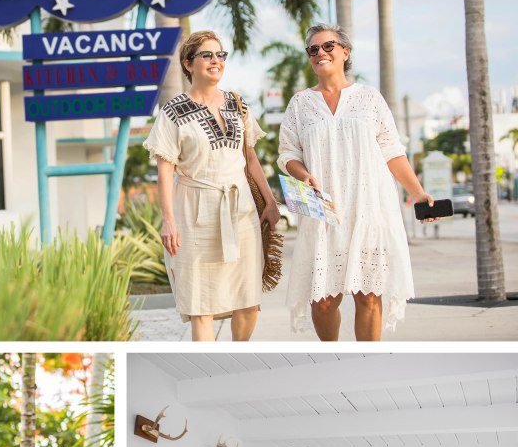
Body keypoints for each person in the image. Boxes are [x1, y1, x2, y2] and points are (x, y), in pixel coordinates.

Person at [278, 23, 438, 341]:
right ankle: (333, 353)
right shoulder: (300, 104)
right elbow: (287, 154)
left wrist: (417, 192)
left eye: (328, 47)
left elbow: (393, 151)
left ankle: (367, 358)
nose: (320, 53)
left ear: (345, 52)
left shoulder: (369, 98)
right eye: (313, 49)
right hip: (324, 212)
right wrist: (303, 174)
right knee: (322, 302)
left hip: (369, 208)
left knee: (368, 296)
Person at [143, 30, 281, 341]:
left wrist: (270, 202)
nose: (216, 61)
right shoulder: (172, 111)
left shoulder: (237, 103)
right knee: (200, 303)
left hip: (241, 211)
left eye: (220, 55)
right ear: (188, 63)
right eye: (207, 55)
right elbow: (164, 170)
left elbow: (250, 157)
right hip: (194, 213)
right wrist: (168, 221)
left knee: (247, 300)